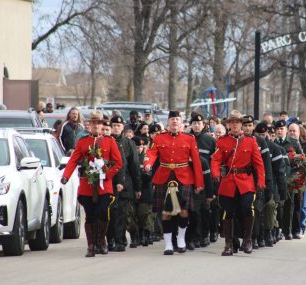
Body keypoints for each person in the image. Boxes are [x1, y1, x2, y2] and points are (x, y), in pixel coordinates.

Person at [60, 111, 123, 257]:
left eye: (99, 123)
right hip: (87, 184)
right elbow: (73, 161)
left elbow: (118, 163)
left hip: (103, 185)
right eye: (93, 123)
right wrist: (66, 176)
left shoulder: (109, 141)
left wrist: (107, 174)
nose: (96, 125)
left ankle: (101, 241)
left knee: (102, 211)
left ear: (102, 125)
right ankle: (91, 245)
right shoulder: (82, 142)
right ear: (89, 125)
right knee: (90, 214)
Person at [143, 110, 204, 255]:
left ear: (181, 122)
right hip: (164, 176)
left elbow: (196, 161)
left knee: (183, 210)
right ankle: (168, 244)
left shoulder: (189, 139)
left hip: (184, 177)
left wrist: (199, 183)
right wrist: (148, 163)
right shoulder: (159, 137)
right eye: (172, 120)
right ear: (168, 122)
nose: (175, 122)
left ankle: (181, 239)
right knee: (166, 212)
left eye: (177, 119)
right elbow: (152, 153)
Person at [210, 110, 265, 256]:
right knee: (228, 212)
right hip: (228, 181)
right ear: (228, 124)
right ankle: (229, 244)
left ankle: (247, 240)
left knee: (247, 208)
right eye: (232, 122)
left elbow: (259, 164)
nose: (234, 125)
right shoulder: (222, 141)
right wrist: (215, 174)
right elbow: (215, 160)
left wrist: (261, 181)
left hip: (245, 181)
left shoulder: (250, 141)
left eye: (237, 122)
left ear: (241, 124)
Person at [108, 115, 141, 251]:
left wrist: (137, 187)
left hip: (125, 183)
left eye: (119, 126)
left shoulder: (129, 143)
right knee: (110, 213)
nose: (116, 128)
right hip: (109, 181)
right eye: (114, 125)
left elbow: (134, 167)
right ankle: (110, 239)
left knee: (122, 214)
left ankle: (120, 240)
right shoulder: (105, 141)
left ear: (123, 127)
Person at [242, 115, 274, 249]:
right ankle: (245, 236)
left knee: (257, 209)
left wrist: (268, 185)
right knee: (244, 210)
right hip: (242, 180)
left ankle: (256, 237)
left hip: (257, 181)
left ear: (253, 127)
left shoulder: (260, 141)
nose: (248, 128)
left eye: (250, 125)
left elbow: (267, 166)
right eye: (245, 125)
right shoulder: (238, 140)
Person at [188, 112, 215, 249]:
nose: (197, 126)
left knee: (205, 210)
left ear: (203, 125)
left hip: (206, 179)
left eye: (199, 123)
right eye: (194, 123)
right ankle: (195, 236)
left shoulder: (209, 140)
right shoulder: (187, 138)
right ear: (190, 125)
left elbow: (215, 161)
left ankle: (205, 234)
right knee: (194, 210)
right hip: (189, 179)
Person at [273, 120, 303, 240]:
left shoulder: (294, 143)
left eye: (282, 129)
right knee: (278, 205)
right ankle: (278, 229)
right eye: (278, 129)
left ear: (286, 130)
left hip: (290, 178)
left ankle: (288, 230)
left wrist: (295, 171)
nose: (280, 131)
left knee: (290, 205)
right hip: (276, 178)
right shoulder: (273, 143)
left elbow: (302, 159)